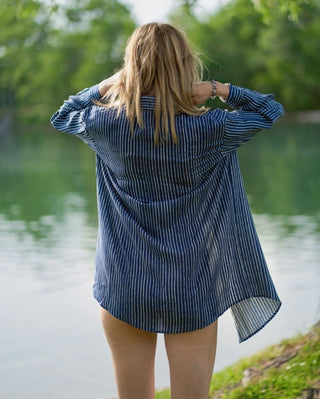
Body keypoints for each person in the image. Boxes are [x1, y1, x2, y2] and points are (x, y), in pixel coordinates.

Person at [51, 22, 283, 399]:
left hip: (124, 286)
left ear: (130, 66)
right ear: (187, 66)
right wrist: (217, 89)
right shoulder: (213, 128)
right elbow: (269, 110)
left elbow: (62, 115)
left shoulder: (104, 125)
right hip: (190, 287)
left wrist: (107, 86)